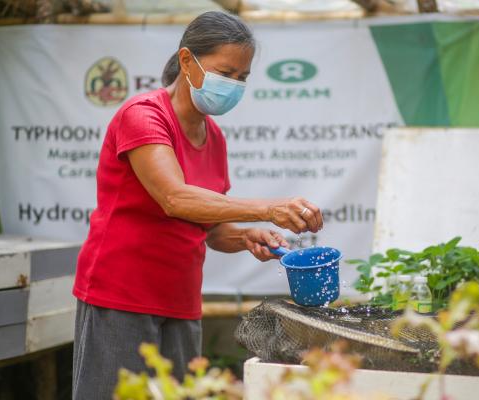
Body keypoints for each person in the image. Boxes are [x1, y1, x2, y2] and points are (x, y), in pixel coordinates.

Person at [72, 11, 323, 399]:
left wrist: (245, 238)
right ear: (187, 61)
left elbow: (208, 225)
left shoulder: (214, 137)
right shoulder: (144, 116)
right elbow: (175, 198)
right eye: (226, 73)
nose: (235, 85)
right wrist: (269, 208)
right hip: (120, 296)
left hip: (180, 301)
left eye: (242, 78)